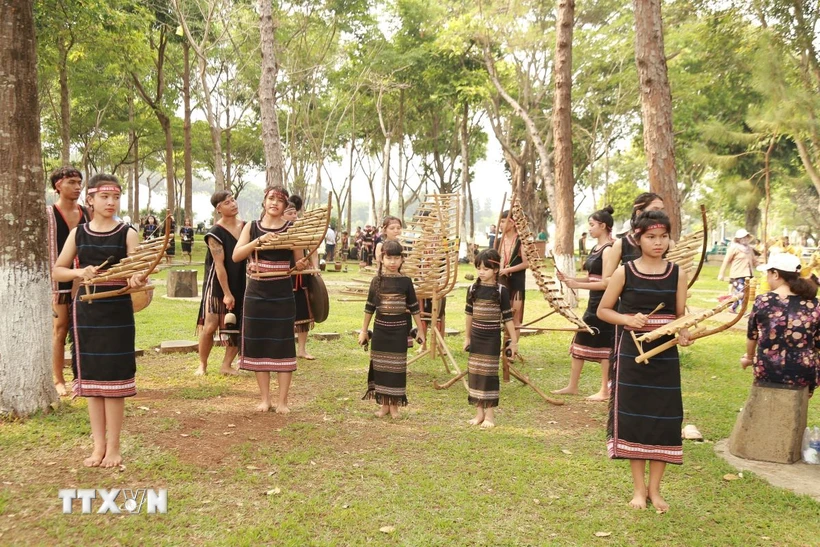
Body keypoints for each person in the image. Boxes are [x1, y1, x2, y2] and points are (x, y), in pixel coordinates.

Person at [597, 210, 692, 512]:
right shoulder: (625, 271)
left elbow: (680, 314)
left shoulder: (677, 273)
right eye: (651, 237)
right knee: (636, 419)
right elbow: (604, 310)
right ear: (637, 238)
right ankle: (639, 490)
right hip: (632, 355)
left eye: (663, 236)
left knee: (663, 419)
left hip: (665, 354)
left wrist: (686, 331)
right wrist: (626, 318)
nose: (658, 242)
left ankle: (655, 490)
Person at [52, 174, 146, 468]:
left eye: (116, 197)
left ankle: (115, 447)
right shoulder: (78, 235)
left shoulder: (127, 233)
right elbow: (57, 271)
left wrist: (136, 277)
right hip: (86, 312)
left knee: (114, 380)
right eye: (104, 197)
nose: (111, 202)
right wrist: (80, 273)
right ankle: (98, 447)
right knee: (92, 383)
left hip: (117, 312)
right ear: (89, 200)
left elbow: (139, 270)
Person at [233, 186, 309, 413]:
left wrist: (302, 264)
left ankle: (283, 401)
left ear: (286, 206)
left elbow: (297, 264)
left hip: (282, 293)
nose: (274, 203)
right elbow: (237, 255)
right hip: (255, 292)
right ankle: (265, 399)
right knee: (259, 342)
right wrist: (259, 241)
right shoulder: (251, 227)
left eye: (279, 200)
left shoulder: (291, 229)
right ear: (264, 202)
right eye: (270, 198)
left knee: (283, 342)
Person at [553, 206, 616, 401]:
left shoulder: (609, 250)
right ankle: (573, 386)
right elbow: (592, 277)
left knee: (605, 346)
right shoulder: (596, 248)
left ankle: (605, 390)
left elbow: (607, 282)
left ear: (603, 226)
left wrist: (577, 285)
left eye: (592, 225)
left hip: (606, 303)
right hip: (593, 303)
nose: (589, 229)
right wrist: (570, 279)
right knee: (581, 339)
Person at [359, 240, 422, 418]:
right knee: (381, 367)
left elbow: (414, 307)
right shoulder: (376, 281)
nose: (393, 262)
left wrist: (421, 330)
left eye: (396, 258)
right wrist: (364, 330)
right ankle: (383, 406)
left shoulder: (406, 282)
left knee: (396, 368)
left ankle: (394, 406)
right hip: (380, 331)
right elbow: (369, 307)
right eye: (389, 258)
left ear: (402, 259)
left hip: (399, 331)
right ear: (382, 259)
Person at [741, 253, 820, 394]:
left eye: (768, 274)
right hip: (803, 373)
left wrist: (748, 357)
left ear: (776, 274)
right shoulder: (814, 304)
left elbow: (752, 335)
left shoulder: (763, 301)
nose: (767, 278)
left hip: (767, 371)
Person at [46, 166, 91, 396]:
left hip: (85, 277)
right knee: (60, 328)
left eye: (79, 182)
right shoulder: (48, 214)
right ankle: (57, 378)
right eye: (71, 182)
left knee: (84, 328)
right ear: (58, 185)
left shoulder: (87, 213)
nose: (77, 187)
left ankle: (82, 376)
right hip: (59, 278)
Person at [463, 248, 518, 428]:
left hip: (492, 337)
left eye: (485, 269)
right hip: (476, 337)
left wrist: (514, 340)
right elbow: (469, 314)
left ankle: (490, 415)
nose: (481, 272)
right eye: (479, 268)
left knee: (489, 375)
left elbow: (508, 317)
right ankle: (478, 413)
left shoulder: (501, 290)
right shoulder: (472, 289)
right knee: (475, 373)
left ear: (495, 270)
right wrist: (467, 337)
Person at [196, 191, 246, 376]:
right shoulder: (215, 233)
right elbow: (219, 265)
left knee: (237, 324)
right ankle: (202, 364)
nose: (233, 204)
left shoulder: (246, 227)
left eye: (233, 200)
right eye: (227, 202)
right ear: (219, 209)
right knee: (210, 325)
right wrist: (226, 293)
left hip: (242, 280)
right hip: (218, 282)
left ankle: (226, 365)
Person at [601, 192, 665, 287]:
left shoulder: (667, 243)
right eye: (655, 210)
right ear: (639, 213)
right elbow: (606, 280)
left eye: (662, 210)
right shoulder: (621, 244)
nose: (660, 214)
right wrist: (634, 284)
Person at [284, 196, 318, 360]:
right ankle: (287, 348)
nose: (293, 216)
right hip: (284, 276)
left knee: (303, 312)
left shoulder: (302, 230)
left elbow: (313, 249)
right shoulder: (277, 231)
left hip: (301, 277)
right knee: (285, 315)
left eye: (294, 212)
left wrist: (315, 267)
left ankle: (302, 349)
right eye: (289, 213)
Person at [498, 211, 529, 327]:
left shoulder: (521, 241)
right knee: (504, 317)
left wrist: (508, 270)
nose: (500, 225)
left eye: (503, 221)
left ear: (512, 223)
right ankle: (504, 345)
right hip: (502, 284)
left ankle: (513, 344)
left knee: (515, 318)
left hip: (517, 284)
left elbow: (526, 264)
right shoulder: (499, 240)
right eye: (500, 222)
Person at [718, 229, 757, 313]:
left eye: (746, 237)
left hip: (747, 275)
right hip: (737, 275)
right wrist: (721, 274)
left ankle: (733, 308)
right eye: (742, 237)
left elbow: (754, 261)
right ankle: (736, 308)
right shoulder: (734, 248)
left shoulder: (749, 249)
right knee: (742, 292)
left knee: (742, 293)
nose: (744, 239)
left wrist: (762, 267)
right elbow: (726, 261)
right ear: (738, 239)